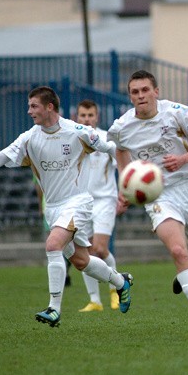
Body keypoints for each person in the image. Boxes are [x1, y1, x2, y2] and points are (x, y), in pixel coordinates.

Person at [0, 86, 133, 328]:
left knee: (53, 244)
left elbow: (111, 147)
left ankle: (54, 308)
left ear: (49, 107)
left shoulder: (77, 132)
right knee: (81, 261)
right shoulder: (30, 137)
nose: (29, 111)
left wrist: (133, 169)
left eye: (33, 106)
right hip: (54, 206)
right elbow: (3, 156)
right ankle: (120, 282)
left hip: (78, 203)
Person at [107, 70, 188, 339]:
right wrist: (126, 182)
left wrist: (183, 159)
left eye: (145, 90)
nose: (140, 96)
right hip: (159, 197)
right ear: (130, 96)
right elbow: (119, 149)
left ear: (156, 91)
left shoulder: (179, 113)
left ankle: (187, 273)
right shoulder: (121, 127)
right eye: (135, 92)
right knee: (179, 252)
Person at [75, 99, 120, 312]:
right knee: (85, 252)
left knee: (99, 249)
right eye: (83, 115)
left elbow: (122, 163)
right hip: (81, 201)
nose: (86, 119)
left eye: (90, 115)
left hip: (105, 199)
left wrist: (125, 194)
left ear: (97, 117)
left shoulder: (105, 139)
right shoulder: (73, 138)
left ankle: (115, 288)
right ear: (77, 117)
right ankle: (95, 301)